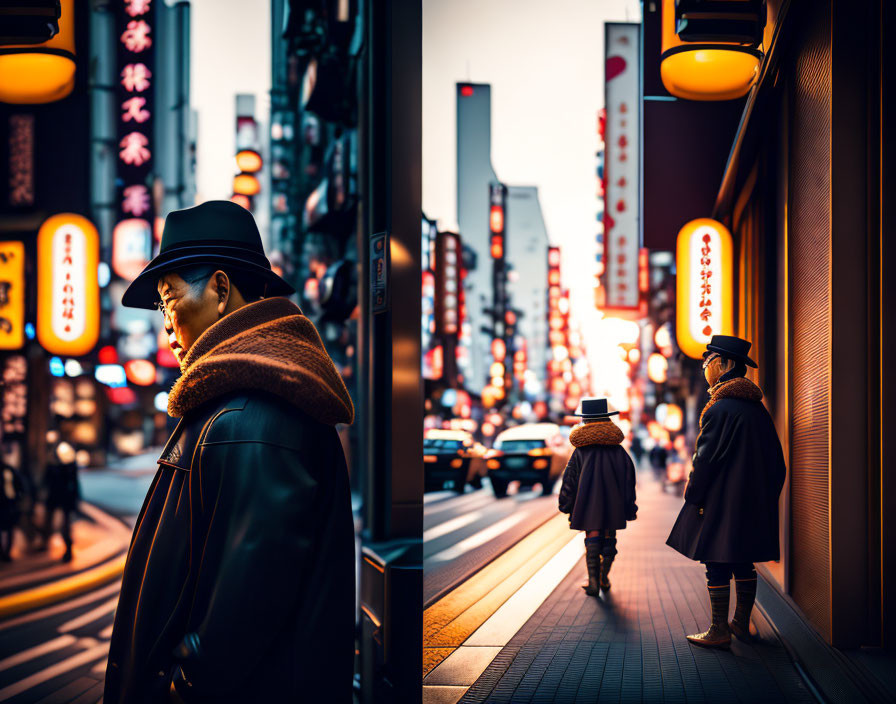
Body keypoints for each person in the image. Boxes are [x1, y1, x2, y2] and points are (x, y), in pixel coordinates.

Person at [105, 201, 355, 703]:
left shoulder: (246, 419)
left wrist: (179, 690)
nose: (167, 326)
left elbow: (238, 621)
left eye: (169, 298)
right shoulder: (243, 408)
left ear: (220, 290)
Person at [666, 335, 786, 648]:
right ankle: (740, 624)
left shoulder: (719, 410)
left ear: (726, 364)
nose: (705, 366)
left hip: (720, 501)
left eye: (709, 361)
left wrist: (693, 494)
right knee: (743, 560)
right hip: (752, 502)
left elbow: (704, 460)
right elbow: (778, 464)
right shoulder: (758, 410)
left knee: (716, 561)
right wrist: (764, 497)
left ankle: (718, 630)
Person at [558, 398, 637, 596]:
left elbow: (569, 481)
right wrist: (629, 506)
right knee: (610, 539)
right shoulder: (618, 451)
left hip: (587, 504)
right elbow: (629, 480)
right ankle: (604, 577)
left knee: (592, 536)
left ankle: (593, 581)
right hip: (614, 504)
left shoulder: (580, 451)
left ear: (584, 421)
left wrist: (566, 505)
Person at [42, 441, 80, 563]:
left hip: (65, 498)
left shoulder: (69, 466)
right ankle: (45, 543)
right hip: (55, 497)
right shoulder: (54, 465)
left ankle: (68, 549)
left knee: (65, 526)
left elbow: (74, 484)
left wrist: (75, 500)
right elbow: (46, 481)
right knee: (49, 521)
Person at [0, 461, 24, 562]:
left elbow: (19, 485)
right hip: (5, 503)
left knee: (9, 528)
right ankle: (3, 553)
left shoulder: (8, 469)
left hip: (9, 503)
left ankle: (6, 553)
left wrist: (18, 497)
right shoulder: (8, 468)